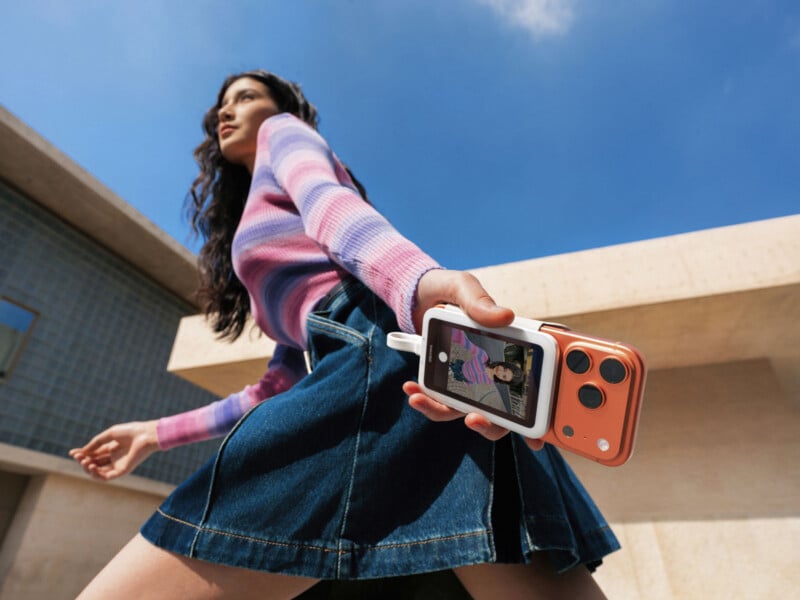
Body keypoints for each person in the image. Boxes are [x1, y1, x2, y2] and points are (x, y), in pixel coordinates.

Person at [69, 69, 618, 599]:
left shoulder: (283, 132)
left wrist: (416, 284)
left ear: (281, 108)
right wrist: (152, 433)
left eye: (245, 97)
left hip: (380, 350)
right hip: (363, 357)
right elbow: (274, 387)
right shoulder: (267, 220)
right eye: (222, 106)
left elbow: (329, 204)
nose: (226, 112)